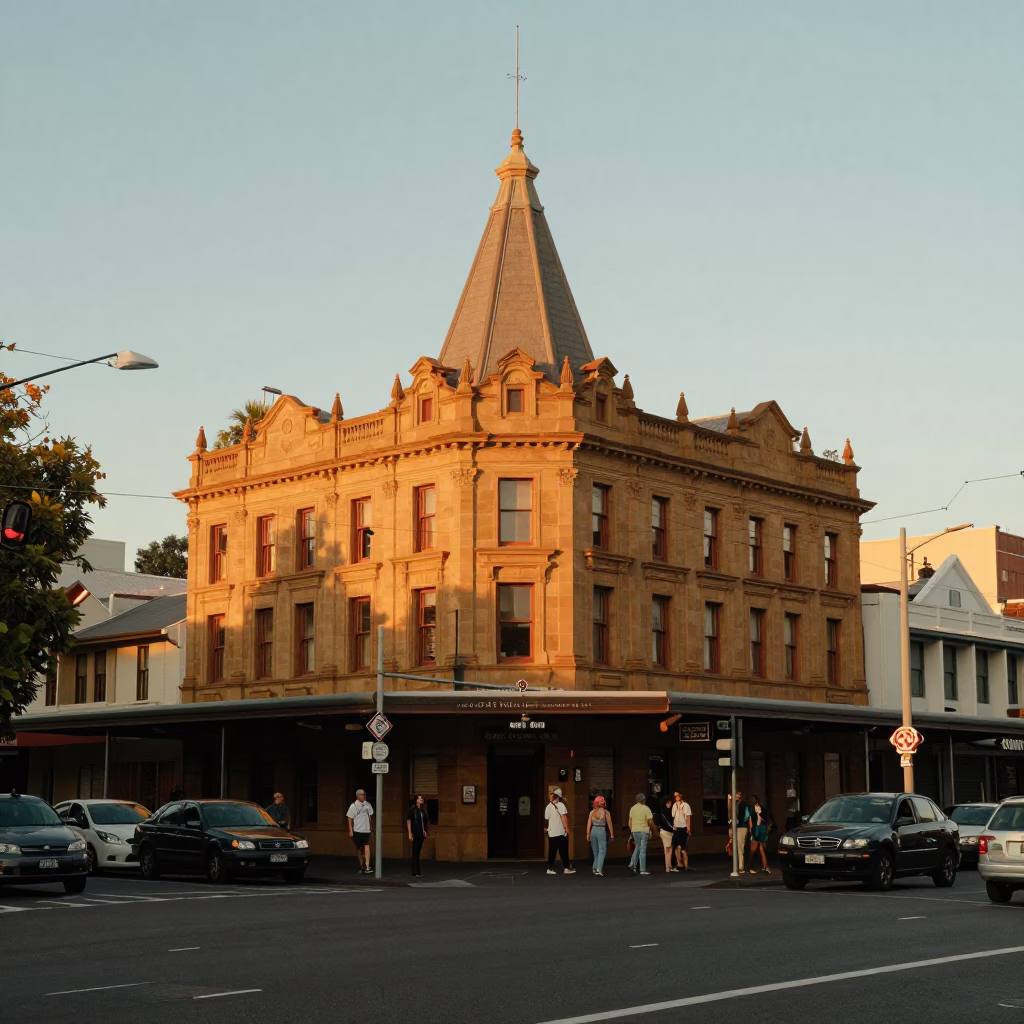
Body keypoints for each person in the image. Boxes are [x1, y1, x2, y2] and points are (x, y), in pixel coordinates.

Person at [545, 788, 575, 874]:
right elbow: (564, 819)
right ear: (559, 797)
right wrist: (567, 829)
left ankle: (550, 868)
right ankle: (567, 868)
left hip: (552, 833)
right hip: (561, 832)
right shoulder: (561, 805)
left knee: (552, 851)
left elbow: (546, 819)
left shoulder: (548, 807)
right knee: (564, 851)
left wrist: (547, 829)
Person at [346, 789, 374, 874]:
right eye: (362, 795)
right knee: (360, 849)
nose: (364, 796)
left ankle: (367, 866)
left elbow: (370, 817)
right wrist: (351, 830)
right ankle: (361, 865)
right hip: (357, 831)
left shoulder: (368, 805)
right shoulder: (353, 806)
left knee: (367, 847)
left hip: (366, 830)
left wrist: (371, 828)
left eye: (364, 795)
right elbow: (349, 818)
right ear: (358, 796)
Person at [586, 795, 614, 876]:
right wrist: (612, 835)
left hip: (593, 830)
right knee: (602, 850)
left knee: (595, 851)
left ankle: (595, 867)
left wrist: (588, 833)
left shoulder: (592, 812)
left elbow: (588, 824)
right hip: (601, 830)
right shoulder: (606, 813)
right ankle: (599, 868)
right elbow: (610, 825)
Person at [627, 793, 654, 875]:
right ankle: (642, 869)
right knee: (642, 850)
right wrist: (654, 830)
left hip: (635, 831)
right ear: (643, 800)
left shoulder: (632, 808)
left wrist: (632, 831)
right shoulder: (646, 808)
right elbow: (650, 821)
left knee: (637, 847)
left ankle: (632, 864)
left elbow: (630, 822)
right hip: (643, 830)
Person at [407, 794, 429, 877]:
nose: (421, 800)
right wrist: (410, 833)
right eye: (420, 799)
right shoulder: (412, 810)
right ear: (416, 800)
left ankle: (418, 871)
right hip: (415, 832)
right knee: (415, 851)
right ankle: (414, 871)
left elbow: (424, 822)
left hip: (421, 832)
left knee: (418, 852)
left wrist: (425, 831)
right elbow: (409, 822)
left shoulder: (422, 810)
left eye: (422, 799)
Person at [749, 794, 772, 874]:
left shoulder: (753, 809)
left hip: (758, 829)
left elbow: (752, 821)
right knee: (761, 849)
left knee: (754, 849)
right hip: (761, 829)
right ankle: (765, 866)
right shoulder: (761, 808)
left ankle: (753, 866)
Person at [671, 790, 693, 871]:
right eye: (675, 796)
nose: (676, 797)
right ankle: (679, 864)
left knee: (682, 847)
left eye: (677, 795)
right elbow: (673, 816)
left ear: (681, 795)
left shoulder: (686, 805)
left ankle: (686, 865)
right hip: (676, 828)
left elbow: (688, 817)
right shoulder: (674, 805)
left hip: (683, 827)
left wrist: (688, 828)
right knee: (676, 847)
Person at [657, 798, 676, 873]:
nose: (670, 805)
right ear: (666, 803)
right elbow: (666, 823)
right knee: (668, 849)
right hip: (666, 832)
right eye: (669, 803)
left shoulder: (663, 812)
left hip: (666, 831)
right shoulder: (665, 813)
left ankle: (669, 866)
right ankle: (668, 867)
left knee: (668, 849)